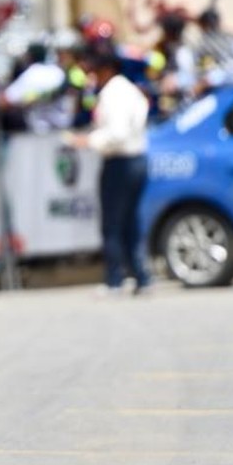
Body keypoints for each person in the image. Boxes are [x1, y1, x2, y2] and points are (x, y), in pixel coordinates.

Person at [63, 43, 152, 296]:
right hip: (137, 159)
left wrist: (88, 141)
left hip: (120, 161)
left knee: (113, 223)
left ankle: (116, 280)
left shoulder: (114, 93)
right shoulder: (131, 90)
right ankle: (141, 277)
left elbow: (118, 133)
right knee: (131, 221)